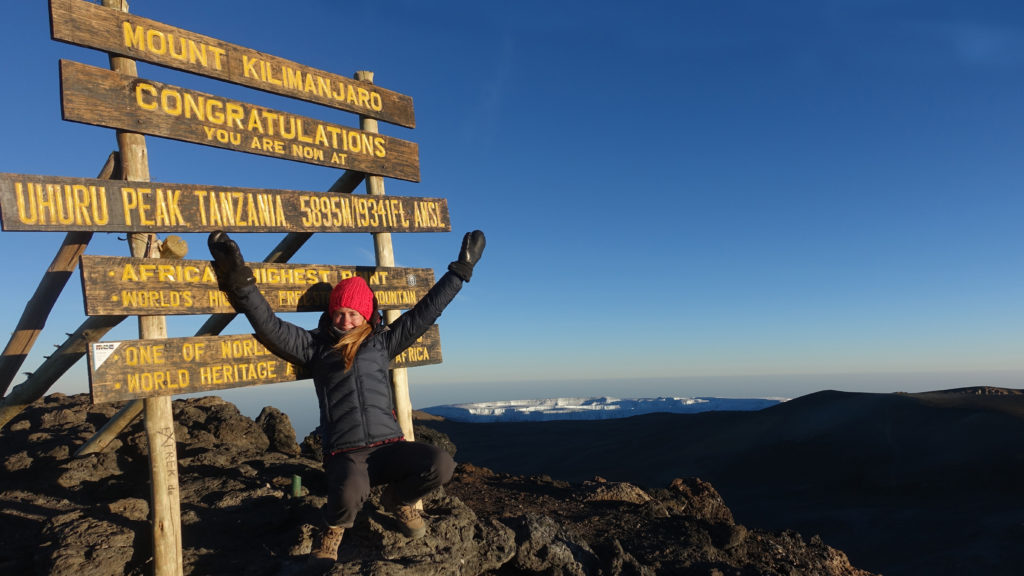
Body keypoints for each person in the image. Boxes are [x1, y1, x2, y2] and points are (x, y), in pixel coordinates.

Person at [207, 229, 485, 564]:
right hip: (346, 452)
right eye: (339, 312)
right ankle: (333, 531)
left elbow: (425, 313)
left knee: (441, 464)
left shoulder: (383, 343)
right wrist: (239, 279)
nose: (345, 319)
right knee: (348, 493)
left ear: (367, 314)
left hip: (389, 446)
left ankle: (399, 500)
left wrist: (460, 272)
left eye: (353, 313)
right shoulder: (314, 347)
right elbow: (269, 325)